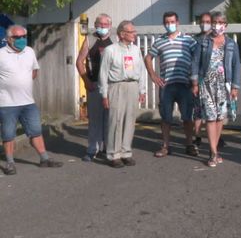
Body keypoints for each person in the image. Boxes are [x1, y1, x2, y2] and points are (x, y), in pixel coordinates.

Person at [0, 25, 63, 175]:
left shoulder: (29, 52)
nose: (22, 39)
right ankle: (10, 163)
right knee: (8, 134)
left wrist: (21, 83)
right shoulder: (1, 54)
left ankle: (44, 159)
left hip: (28, 102)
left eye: (24, 36)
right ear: (9, 39)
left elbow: (34, 71)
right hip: (7, 103)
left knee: (35, 131)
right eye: (17, 37)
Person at [145, 11, 198, 158]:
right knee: (166, 117)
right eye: (167, 22)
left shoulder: (189, 40)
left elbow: (197, 58)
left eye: (172, 22)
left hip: (185, 84)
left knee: (187, 117)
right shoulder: (159, 41)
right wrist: (153, 75)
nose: (170, 25)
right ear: (164, 24)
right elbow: (148, 58)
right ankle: (165, 146)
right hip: (166, 85)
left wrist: (195, 81)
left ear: (178, 22)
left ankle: (189, 144)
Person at [191, 12, 241, 167]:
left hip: (223, 85)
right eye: (215, 22)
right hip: (206, 84)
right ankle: (213, 152)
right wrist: (194, 83)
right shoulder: (203, 42)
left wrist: (235, 87)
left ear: (225, 25)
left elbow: (236, 66)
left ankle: (215, 148)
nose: (217, 25)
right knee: (210, 117)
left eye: (220, 22)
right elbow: (195, 62)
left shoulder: (231, 43)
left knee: (220, 118)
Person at [98, 21, 146, 168]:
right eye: (131, 32)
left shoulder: (136, 50)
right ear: (122, 34)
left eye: (134, 31)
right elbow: (103, 73)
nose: (134, 34)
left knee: (130, 120)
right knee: (116, 120)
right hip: (116, 86)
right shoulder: (110, 50)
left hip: (132, 85)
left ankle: (126, 152)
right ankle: (113, 154)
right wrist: (104, 95)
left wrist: (142, 90)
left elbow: (141, 70)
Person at [76, 13, 113, 161]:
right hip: (95, 84)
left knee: (110, 119)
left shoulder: (115, 40)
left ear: (110, 25)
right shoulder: (89, 40)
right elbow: (79, 62)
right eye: (99, 24)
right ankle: (92, 149)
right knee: (95, 119)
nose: (102, 27)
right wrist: (86, 81)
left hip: (112, 85)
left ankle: (107, 148)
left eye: (105, 25)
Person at [192, 12, 212, 147]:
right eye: (202, 21)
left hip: (215, 79)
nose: (204, 24)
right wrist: (194, 81)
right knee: (198, 109)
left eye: (207, 21)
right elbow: (193, 61)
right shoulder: (195, 39)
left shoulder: (217, 38)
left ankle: (215, 137)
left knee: (214, 110)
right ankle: (197, 135)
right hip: (200, 78)